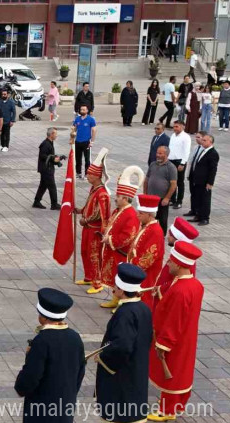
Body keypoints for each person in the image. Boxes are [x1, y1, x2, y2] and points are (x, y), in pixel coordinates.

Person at [14, 288, 85, 423]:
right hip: (65, 403)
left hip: (41, 406)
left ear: (43, 317)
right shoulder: (75, 337)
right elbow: (80, 371)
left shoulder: (42, 341)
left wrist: (20, 387)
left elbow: (32, 376)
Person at [94, 263, 152, 423]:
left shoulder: (125, 313)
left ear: (121, 289)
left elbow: (122, 346)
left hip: (122, 375)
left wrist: (103, 357)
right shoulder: (143, 308)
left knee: (122, 422)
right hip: (138, 370)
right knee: (135, 420)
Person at [147, 241, 203, 422]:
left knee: (173, 371)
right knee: (183, 370)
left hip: (175, 338)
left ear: (179, 264)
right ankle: (177, 405)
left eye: (171, 261)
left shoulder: (180, 291)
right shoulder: (194, 284)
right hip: (187, 336)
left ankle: (167, 410)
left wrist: (163, 343)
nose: (168, 264)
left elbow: (174, 320)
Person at [99, 169, 142, 308]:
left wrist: (110, 240)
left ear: (125, 198)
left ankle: (121, 302)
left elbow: (128, 236)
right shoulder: (118, 210)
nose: (115, 198)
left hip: (121, 252)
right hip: (113, 251)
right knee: (114, 277)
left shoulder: (131, 214)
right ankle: (114, 299)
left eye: (118, 196)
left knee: (121, 278)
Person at [75, 156, 111, 294]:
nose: (88, 176)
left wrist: (86, 220)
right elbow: (89, 205)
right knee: (84, 252)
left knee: (94, 255)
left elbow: (99, 213)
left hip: (95, 230)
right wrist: (80, 211)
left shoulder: (102, 193)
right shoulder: (93, 189)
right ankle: (88, 276)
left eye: (90, 174)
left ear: (97, 176)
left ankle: (97, 283)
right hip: (87, 228)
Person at [146, 218, 198, 311]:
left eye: (170, 234)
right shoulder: (180, 254)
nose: (168, 237)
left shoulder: (183, 259)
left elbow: (180, 281)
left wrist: (161, 289)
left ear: (177, 238)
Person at [186, 132, 218, 226]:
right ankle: (198, 215)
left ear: (210, 142)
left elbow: (213, 169)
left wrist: (210, 182)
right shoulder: (203, 150)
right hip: (198, 180)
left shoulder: (213, 153)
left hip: (205, 181)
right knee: (198, 198)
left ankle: (205, 218)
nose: (202, 142)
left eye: (204, 140)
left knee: (205, 200)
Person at [143, 146, 177, 233]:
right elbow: (146, 180)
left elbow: (173, 185)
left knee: (162, 219)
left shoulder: (171, 167)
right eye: (157, 153)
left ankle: (161, 235)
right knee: (149, 217)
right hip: (150, 198)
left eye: (160, 153)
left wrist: (167, 198)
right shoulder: (152, 164)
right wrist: (145, 194)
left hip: (162, 199)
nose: (157, 155)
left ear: (166, 155)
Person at [34, 127, 62, 210]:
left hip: (46, 168)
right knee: (52, 186)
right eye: (55, 134)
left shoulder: (49, 143)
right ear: (52, 134)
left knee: (43, 185)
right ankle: (54, 204)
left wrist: (57, 159)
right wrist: (53, 159)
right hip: (46, 169)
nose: (56, 136)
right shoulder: (46, 144)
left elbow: (49, 155)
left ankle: (36, 201)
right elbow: (43, 156)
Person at [167, 120, 191, 209]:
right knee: (171, 181)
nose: (175, 128)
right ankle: (172, 199)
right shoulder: (173, 135)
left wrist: (182, 163)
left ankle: (179, 201)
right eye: (174, 127)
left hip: (179, 161)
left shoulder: (186, 137)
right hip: (171, 160)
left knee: (180, 182)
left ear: (182, 127)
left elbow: (186, 151)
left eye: (177, 127)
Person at [72, 105, 96, 178]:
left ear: (87, 111)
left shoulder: (91, 119)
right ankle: (78, 173)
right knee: (78, 158)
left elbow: (94, 130)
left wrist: (92, 141)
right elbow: (74, 129)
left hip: (86, 142)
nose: (82, 111)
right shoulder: (77, 119)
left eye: (84, 110)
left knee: (87, 159)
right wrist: (72, 137)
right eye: (81, 109)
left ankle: (87, 173)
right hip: (78, 141)